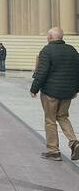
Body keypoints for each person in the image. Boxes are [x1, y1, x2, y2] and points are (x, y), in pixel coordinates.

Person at [31, 27, 79, 161]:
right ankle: (74, 142)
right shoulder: (72, 50)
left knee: (50, 120)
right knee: (63, 116)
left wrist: (34, 89)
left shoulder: (47, 50)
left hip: (50, 93)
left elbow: (42, 72)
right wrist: (75, 89)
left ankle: (53, 151)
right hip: (67, 93)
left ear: (50, 38)